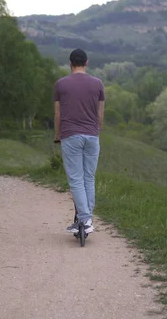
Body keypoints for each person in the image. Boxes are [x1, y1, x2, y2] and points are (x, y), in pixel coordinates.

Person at [53, 48, 105, 234]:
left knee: (76, 179)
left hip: (71, 135)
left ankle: (84, 220)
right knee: (88, 178)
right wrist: (96, 131)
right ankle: (87, 218)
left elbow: (58, 114)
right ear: (87, 62)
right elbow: (100, 114)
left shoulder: (60, 84)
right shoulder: (98, 84)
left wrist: (58, 134)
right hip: (92, 135)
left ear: (70, 63)